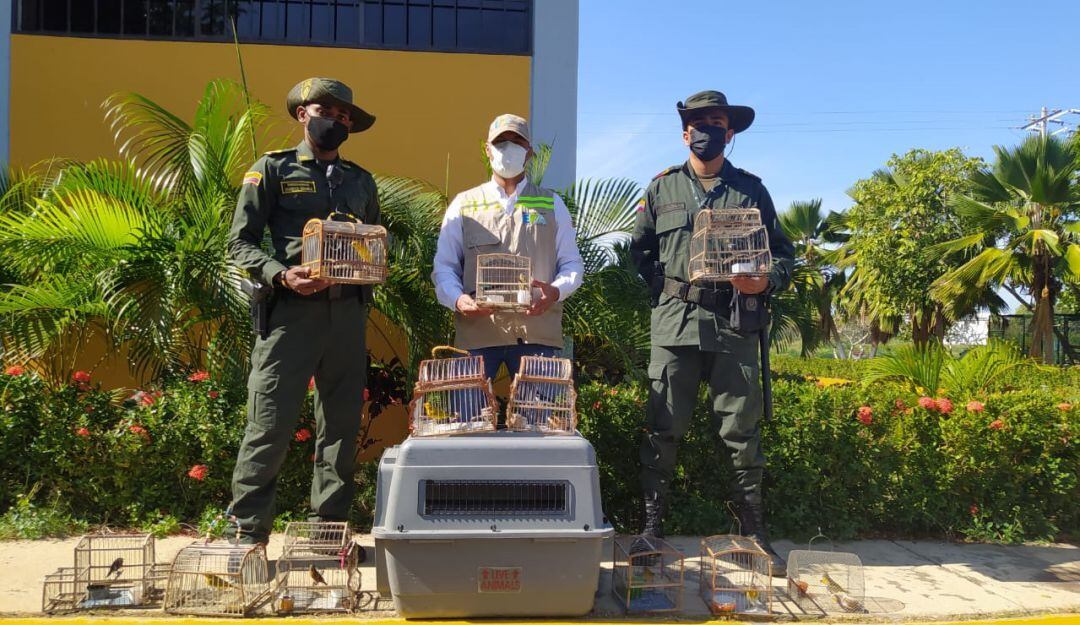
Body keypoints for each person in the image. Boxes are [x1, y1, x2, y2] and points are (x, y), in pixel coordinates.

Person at [629, 90, 795, 574]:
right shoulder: (660, 190)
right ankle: (650, 532)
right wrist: (668, 292)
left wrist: (765, 280)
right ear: (685, 133)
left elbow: (783, 255)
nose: (706, 131)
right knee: (662, 428)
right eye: (698, 123)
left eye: (716, 122)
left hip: (733, 328)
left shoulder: (752, 192)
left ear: (730, 132)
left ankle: (754, 536)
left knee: (743, 434)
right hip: (675, 327)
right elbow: (639, 254)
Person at [227, 77, 380, 545]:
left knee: (339, 427)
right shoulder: (271, 170)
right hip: (290, 314)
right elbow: (239, 242)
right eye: (324, 111)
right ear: (302, 115)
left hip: (347, 318)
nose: (333, 121)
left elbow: (373, 240)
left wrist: (368, 266)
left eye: (342, 116)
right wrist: (281, 273)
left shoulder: (361, 180)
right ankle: (248, 535)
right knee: (268, 423)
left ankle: (328, 535)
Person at [432, 114, 584, 381]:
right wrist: (457, 299)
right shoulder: (464, 205)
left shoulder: (552, 204)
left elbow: (572, 264)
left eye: (517, 141)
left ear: (529, 152)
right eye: (501, 141)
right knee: (469, 420)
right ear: (487, 150)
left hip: (538, 334)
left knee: (540, 420)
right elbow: (444, 265)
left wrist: (555, 291)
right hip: (476, 335)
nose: (508, 148)